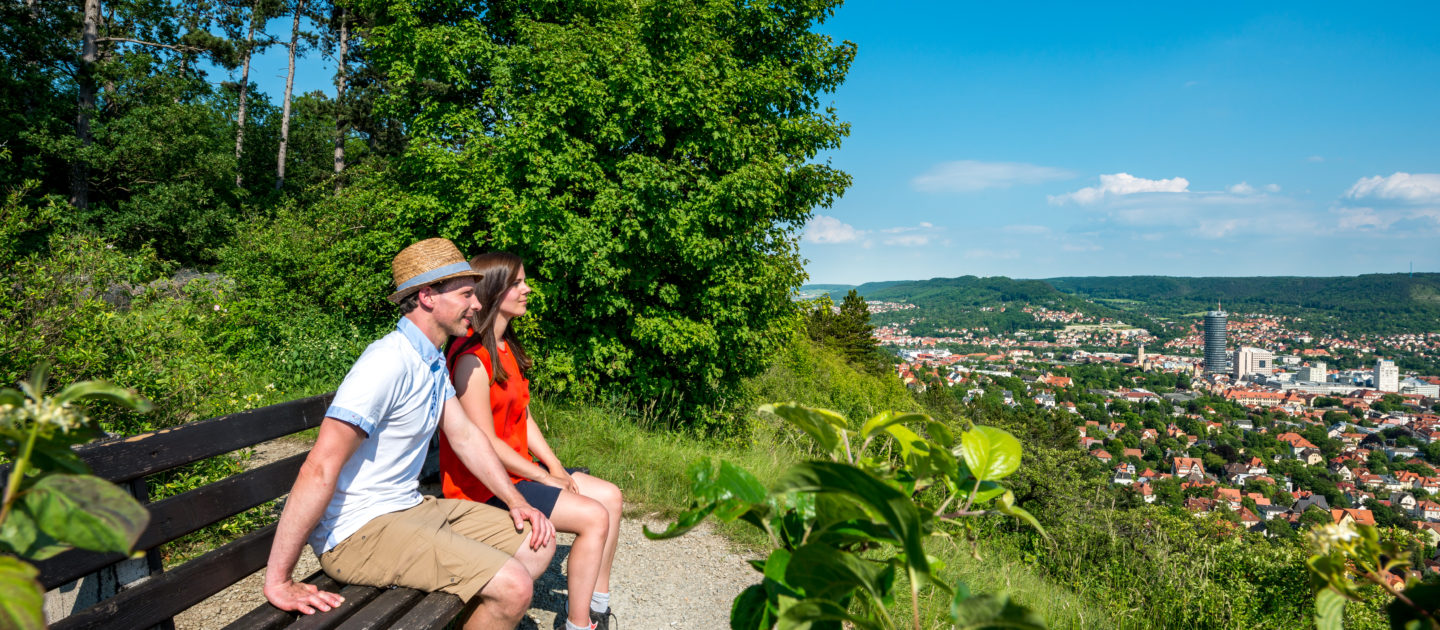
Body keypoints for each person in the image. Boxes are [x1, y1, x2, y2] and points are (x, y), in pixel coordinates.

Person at [262, 238, 558, 630]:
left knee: (538, 542)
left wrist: (515, 500)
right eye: (467, 293)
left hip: (409, 509)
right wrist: (279, 579)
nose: (477, 304)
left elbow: (467, 437)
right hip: (358, 532)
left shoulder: (432, 361)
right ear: (427, 297)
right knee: (514, 586)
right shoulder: (386, 362)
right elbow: (319, 466)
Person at [440, 252, 624, 630]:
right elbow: (485, 443)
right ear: (493, 292)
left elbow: (524, 418)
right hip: (485, 485)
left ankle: (597, 607)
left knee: (611, 497)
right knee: (594, 517)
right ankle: (578, 624)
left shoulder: (506, 348)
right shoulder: (471, 359)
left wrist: (554, 466)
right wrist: (543, 477)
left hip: (519, 470)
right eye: (517, 283)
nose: (527, 289)